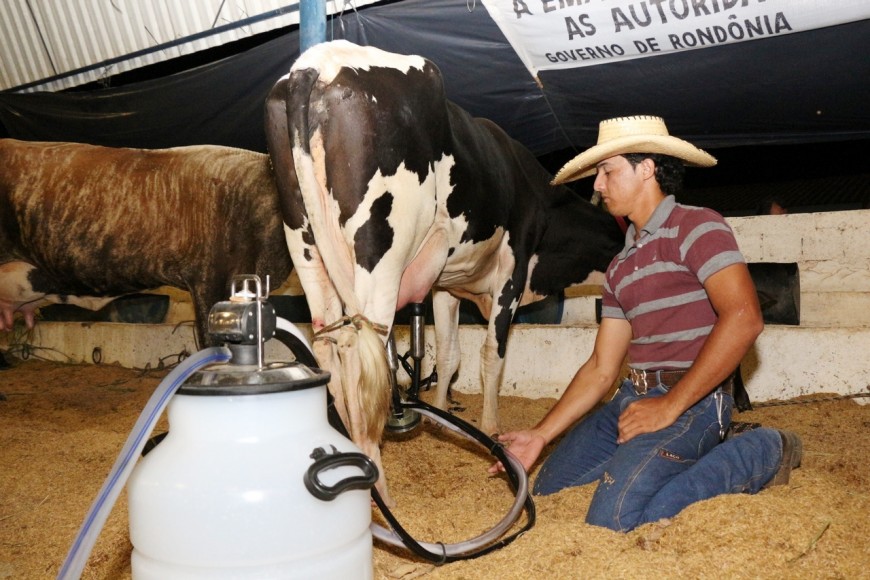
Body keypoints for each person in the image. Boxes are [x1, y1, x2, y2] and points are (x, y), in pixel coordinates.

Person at [490, 116, 802, 532]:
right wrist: (541, 434)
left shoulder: (697, 225)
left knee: (616, 518)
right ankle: (671, 455)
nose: (597, 185)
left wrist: (670, 406)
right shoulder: (620, 265)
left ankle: (764, 448)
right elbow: (602, 367)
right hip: (631, 397)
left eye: (607, 170)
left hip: (693, 399)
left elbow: (745, 318)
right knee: (548, 490)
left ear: (647, 168)